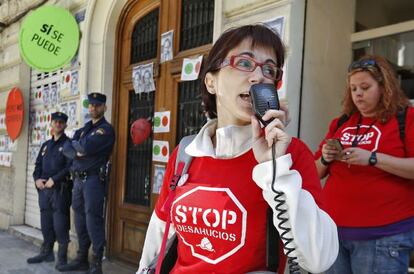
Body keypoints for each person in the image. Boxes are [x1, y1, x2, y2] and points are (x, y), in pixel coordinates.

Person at [137, 24, 338, 274]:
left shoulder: (291, 154)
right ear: (211, 81)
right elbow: (160, 230)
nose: (258, 77)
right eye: (244, 63)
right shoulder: (186, 153)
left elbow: (319, 259)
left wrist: (274, 168)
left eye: (269, 69)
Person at [314, 55, 414, 274]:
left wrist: (373, 158)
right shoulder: (341, 122)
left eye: (365, 87)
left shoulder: (406, 118)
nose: (358, 93)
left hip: (383, 237)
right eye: (353, 88)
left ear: (384, 87)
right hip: (333, 233)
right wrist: (325, 157)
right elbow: (313, 174)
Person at [61, 93, 115, 274]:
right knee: (80, 220)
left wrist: (78, 148)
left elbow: (82, 148)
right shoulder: (84, 130)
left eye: (97, 105)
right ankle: (82, 258)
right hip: (78, 180)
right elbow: (67, 149)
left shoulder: (105, 130)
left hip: (93, 181)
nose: (93, 108)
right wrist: (78, 150)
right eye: (91, 105)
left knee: (93, 220)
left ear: (104, 108)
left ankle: (96, 263)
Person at [28, 112, 72, 270]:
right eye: (56, 122)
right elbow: (38, 165)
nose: (58, 124)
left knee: (60, 225)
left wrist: (56, 179)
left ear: (65, 125)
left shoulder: (68, 144)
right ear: (51, 124)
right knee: (46, 223)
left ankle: (62, 259)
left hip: (59, 190)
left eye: (61, 122)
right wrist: (36, 179)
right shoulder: (46, 145)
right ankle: (46, 252)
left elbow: (70, 167)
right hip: (44, 191)